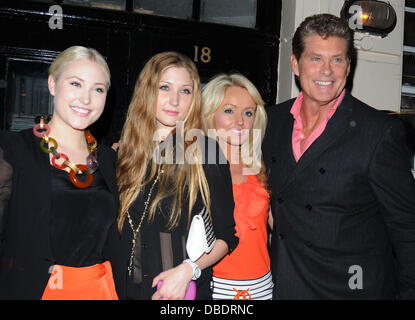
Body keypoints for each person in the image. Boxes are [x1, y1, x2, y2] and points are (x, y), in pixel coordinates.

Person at [262, 13, 415, 300]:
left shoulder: (378, 133)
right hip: (286, 286)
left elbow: (408, 229)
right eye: (316, 58)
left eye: (338, 59)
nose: (327, 71)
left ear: (348, 66)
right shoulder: (271, 122)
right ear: (295, 63)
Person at [114, 51, 238, 300]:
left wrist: (188, 270)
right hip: (123, 290)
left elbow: (227, 236)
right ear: (147, 90)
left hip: (177, 293)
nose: (174, 100)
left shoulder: (205, 152)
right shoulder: (124, 153)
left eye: (185, 91)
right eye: (164, 87)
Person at [0, 46, 119, 299]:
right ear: (53, 84)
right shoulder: (13, 151)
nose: (86, 99)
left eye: (98, 89)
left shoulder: (110, 160)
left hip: (99, 290)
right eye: (76, 84)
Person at [201, 73, 273, 300]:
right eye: (229, 110)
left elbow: (283, 229)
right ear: (209, 114)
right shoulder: (196, 169)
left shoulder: (262, 168)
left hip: (263, 285)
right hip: (215, 285)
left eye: (248, 113)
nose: (241, 121)